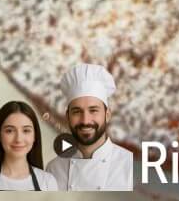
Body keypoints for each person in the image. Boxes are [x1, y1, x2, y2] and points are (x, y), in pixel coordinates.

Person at [45, 63, 133, 191]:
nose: (85, 120)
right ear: (68, 116)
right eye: (77, 111)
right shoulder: (53, 169)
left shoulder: (129, 166)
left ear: (107, 115)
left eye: (93, 110)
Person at [0, 100, 58, 191]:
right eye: (9, 130)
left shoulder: (47, 182)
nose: (18, 139)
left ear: (34, 136)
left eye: (26, 131)